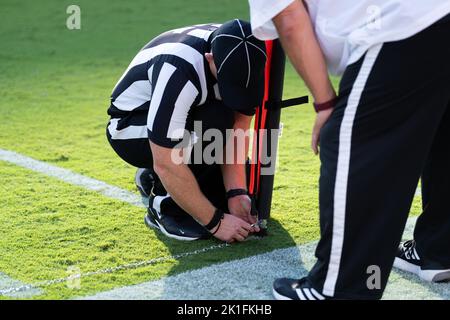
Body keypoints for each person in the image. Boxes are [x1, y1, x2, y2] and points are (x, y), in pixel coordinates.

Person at [249, 0, 450, 299]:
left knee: (347, 143)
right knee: (442, 133)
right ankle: (439, 248)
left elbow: (289, 19)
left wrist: (325, 104)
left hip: (398, 26)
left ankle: (340, 289)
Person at [106, 20, 266, 242]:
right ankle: (164, 206)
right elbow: (166, 160)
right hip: (130, 128)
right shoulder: (180, 68)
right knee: (213, 124)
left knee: (218, 131)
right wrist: (216, 222)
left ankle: (152, 176)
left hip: (177, 120)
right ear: (210, 58)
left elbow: (239, 127)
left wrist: (236, 192)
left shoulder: (246, 53)